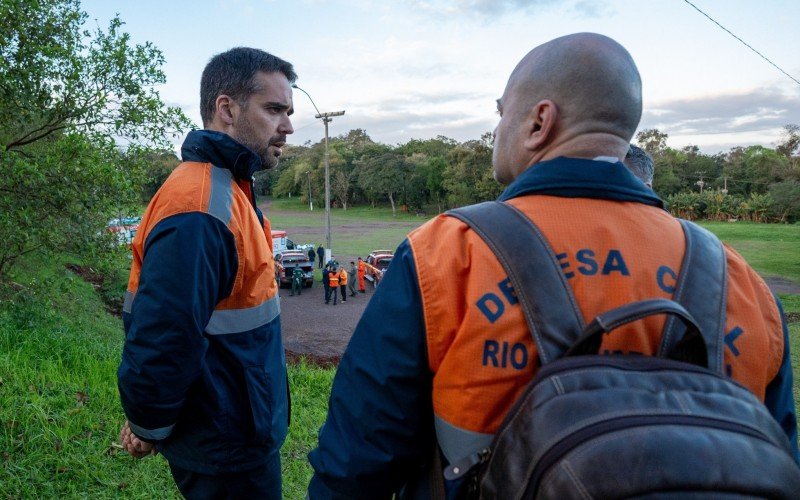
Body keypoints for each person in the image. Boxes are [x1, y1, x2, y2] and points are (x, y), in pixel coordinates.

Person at [307, 33, 798, 498]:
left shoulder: (447, 252)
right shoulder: (743, 282)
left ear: (540, 122)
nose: (497, 131)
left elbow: (359, 459)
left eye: (501, 114)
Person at [117, 47, 295, 499]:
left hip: (238, 426)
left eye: (288, 111)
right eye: (274, 109)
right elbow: (164, 335)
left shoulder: (230, 187)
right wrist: (149, 425)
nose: (288, 126)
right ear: (227, 108)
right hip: (225, 444)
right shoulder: (199, 208)